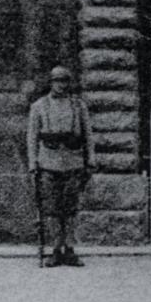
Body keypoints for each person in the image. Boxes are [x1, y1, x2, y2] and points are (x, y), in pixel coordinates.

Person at [27, 65, 95, 267]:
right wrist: (33, 163)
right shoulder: (39, 106)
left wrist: (91, 159)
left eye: (64, 81)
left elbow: (88, 135)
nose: (61, 85)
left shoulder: (78, 106)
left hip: (73, 162)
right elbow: (32, 137)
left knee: (71, 208)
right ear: (51, 83)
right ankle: (56, 249)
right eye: (57, 81)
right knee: (52, 210)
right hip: (48, 163)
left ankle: (70, 249)